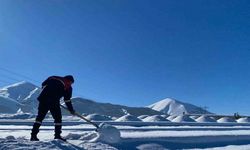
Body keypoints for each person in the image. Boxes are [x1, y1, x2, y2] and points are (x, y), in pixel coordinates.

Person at [30, 75, 75, 141]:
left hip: (43, 99)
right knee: (58, 118)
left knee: (40, 118)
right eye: (72, 83)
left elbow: (43, 84)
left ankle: (33, 136)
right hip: (54, 102)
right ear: (70, 81)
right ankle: (57, 136)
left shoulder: (53, 78)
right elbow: (67, 100)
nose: (71, 84)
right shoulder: (68, 87)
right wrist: (71, 109)